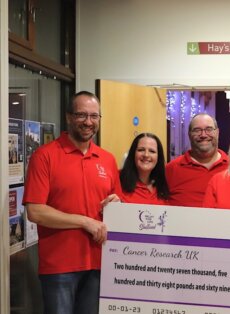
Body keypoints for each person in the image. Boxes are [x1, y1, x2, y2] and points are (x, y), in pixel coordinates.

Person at [22, 91, 122, 314]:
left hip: (99, 262)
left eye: (94, 116)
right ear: (68, 117)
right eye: (81, 115)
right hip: (60, 267)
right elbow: (35, 212)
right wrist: (84, 221)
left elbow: (115, 204)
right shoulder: (45, 156)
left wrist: (117, 206)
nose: (88, 122)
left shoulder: (107, 159)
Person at [166, 113, 228, 207]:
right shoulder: (171, 169)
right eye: (197, 130)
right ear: (189, 134)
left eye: (209, 129)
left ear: (217, 132)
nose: (203, 135)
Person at [120, 133, 169, 204]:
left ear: (158, 157)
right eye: (141, 150)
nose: (146, 155)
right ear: (133, 153)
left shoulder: (164, 185)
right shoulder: (118, 180)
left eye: (152, 151)